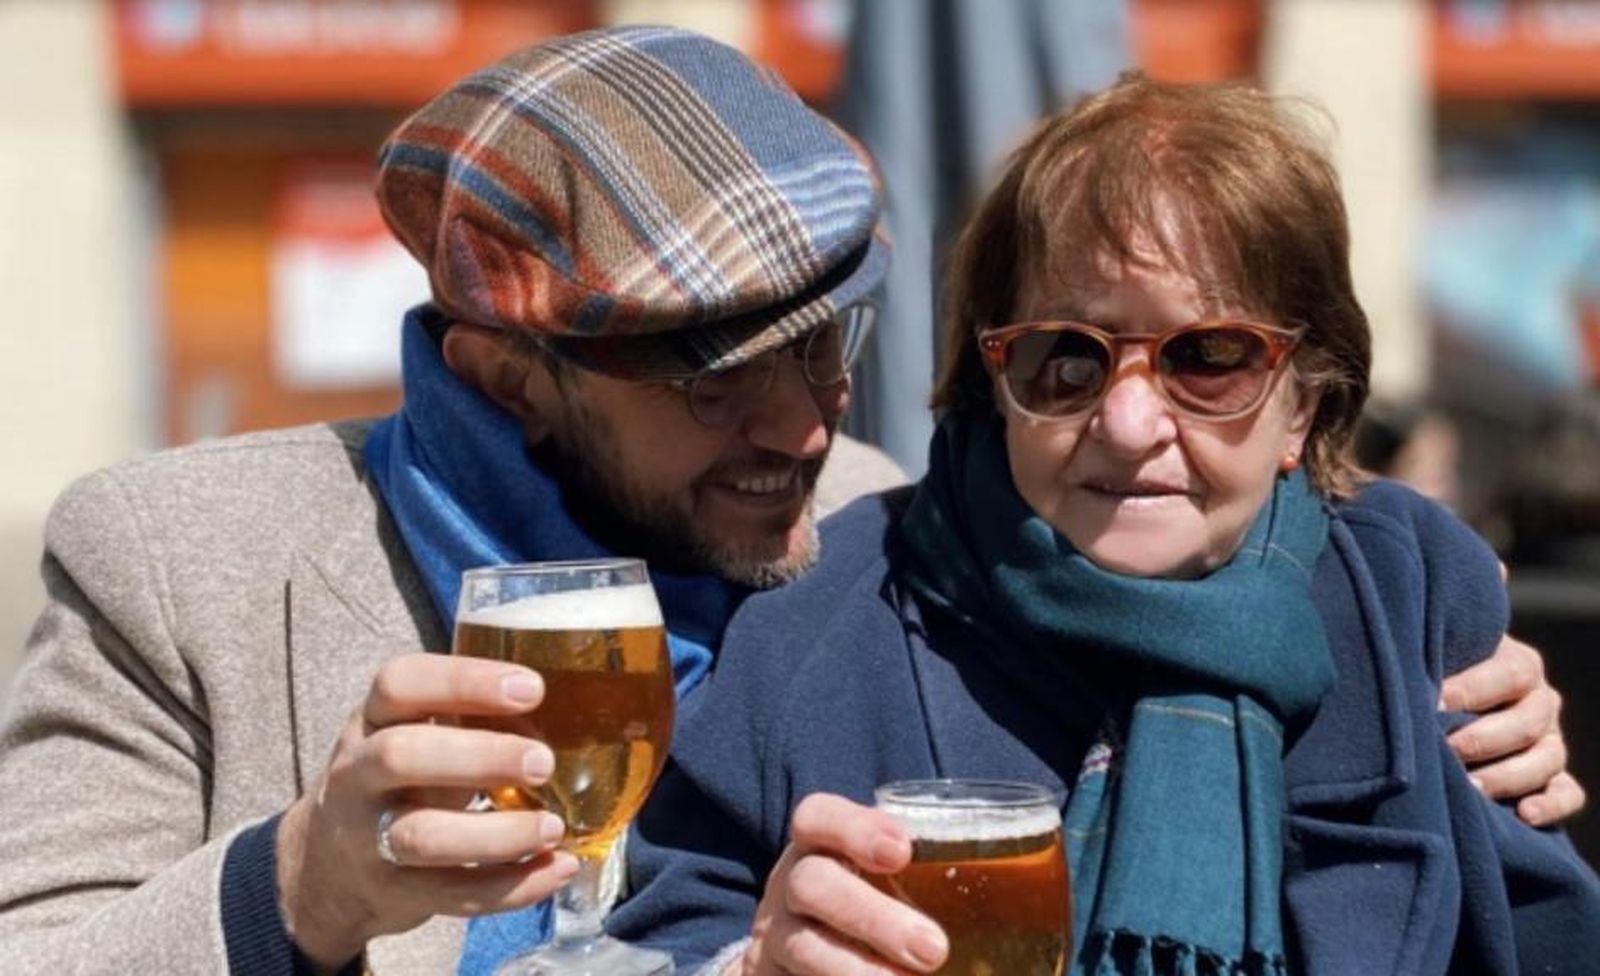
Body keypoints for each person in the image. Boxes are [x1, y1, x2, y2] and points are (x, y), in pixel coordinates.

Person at [0, 29, 1572, 976]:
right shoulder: (184, 561)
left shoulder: (903, 537)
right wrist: (305, 889)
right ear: (503, 372)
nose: (804, 417)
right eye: (713, 378)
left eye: (829, 346)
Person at [609, 74, 1600, 974]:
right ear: (993, 383)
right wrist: (748, 967)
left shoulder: (1407, 594)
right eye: (1066, 358)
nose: (1127, 424)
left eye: (1209, 355)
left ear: (1304, 401)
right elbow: (668, 930)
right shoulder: (815, 623)